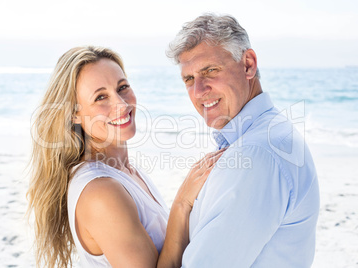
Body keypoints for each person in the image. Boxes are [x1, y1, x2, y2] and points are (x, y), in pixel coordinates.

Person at [26, 46, 225, 268]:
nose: (121, 104)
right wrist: (182, 202)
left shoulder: (126, 171)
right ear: (74, 113)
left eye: (122, 88)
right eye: (101, 97)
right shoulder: (100, 191)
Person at [167, 14, 320, 267]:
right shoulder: (263, 135)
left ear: (248, 64)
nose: (198, 91)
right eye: (189, 79)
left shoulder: (256, 154)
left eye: (210, 70)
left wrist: (182, 205)